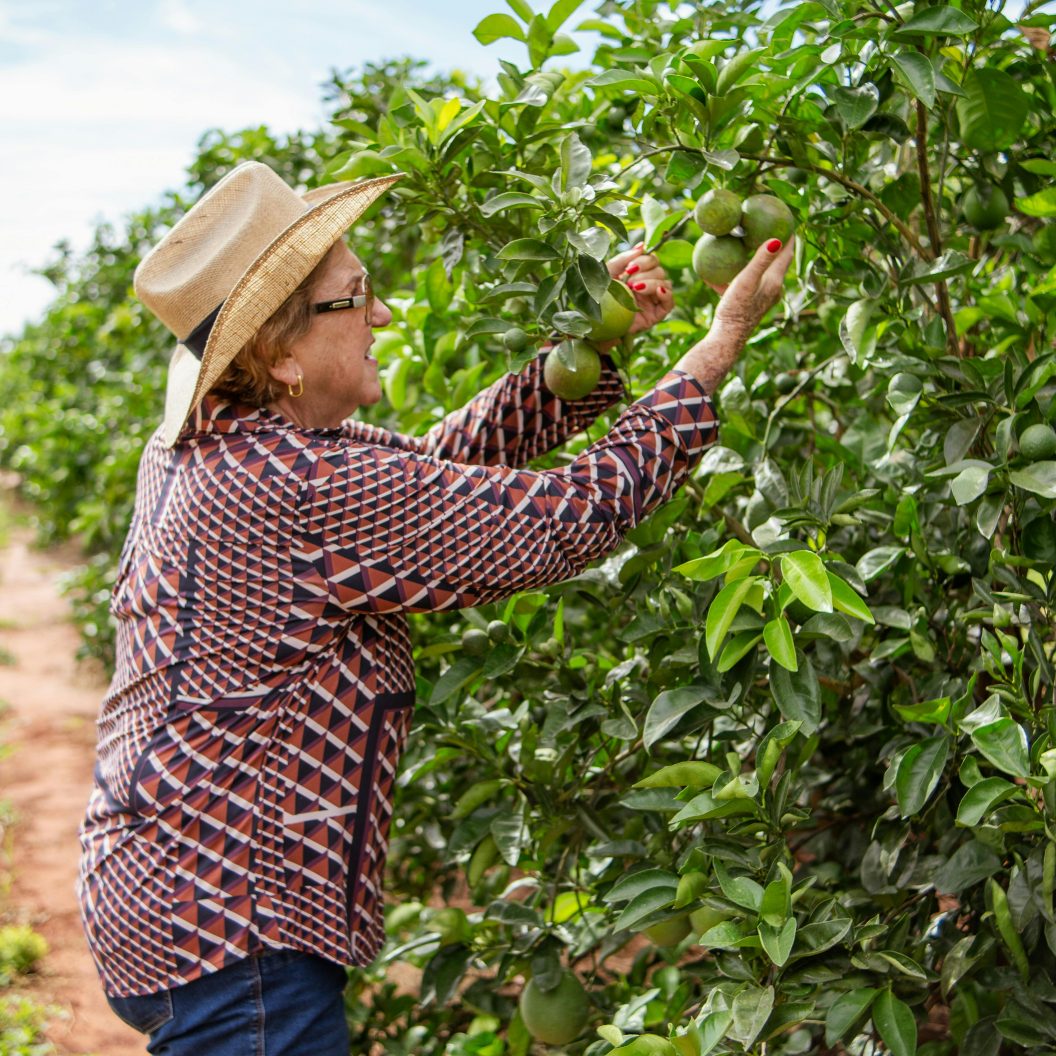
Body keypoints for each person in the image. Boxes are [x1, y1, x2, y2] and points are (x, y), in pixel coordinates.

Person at [76, 161, 794, 1055]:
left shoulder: (231, 446)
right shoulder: (294, 484)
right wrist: (715, 350)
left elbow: (430, 474)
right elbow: (552, 525)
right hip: (228, 922)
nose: (381, 314)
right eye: (355, 296)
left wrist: (588, 350)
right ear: (279, 354)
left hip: (172, 894)